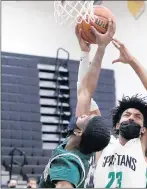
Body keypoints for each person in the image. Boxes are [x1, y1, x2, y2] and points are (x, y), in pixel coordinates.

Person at [38, 18, 116, 188]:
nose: (83, 114)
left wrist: (101, 48)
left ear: (80, 132)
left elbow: (84, 93)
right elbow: (85, 91)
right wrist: (87, 52)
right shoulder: (77, 143)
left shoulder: (68, 166)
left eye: (85, 118)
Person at [91, 38, 147, 188]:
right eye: (127, 115)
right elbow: (85, 94)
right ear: (117, 125)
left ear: (144, 128)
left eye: (138, 117)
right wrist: (99, 49)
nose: (131, 117)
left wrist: (131, 61)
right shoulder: (103, 144)